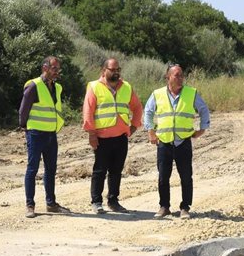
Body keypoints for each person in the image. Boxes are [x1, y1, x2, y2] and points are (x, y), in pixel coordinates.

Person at [144, 63, 210, 219]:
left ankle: (185, 207)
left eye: (181, 75)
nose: (180, 78)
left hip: (183, 142)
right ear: (168, 77)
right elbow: (148, 111)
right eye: (176, 75)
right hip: (164, 142)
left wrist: (202, 128)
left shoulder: (191, 93)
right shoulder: (157, 94)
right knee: (163, 177)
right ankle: (164, 206)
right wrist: (151, 131)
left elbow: (204, 109)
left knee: (186, 176)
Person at [83, 58, 143, 214]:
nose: (116, 72)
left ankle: (113, 201)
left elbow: (137, 107)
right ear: (104, 70)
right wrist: (91, 134)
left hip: (120, 137)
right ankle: (96, 202)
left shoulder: (126, 87)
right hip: (101, 138)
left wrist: (134, 125)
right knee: (99, 170)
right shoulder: (94, 87)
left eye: (118, 69)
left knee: (116, 171)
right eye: (112, 69)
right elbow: (88, 111)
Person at [19, 56, 70, 218]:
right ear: (45, 68)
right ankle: (30, 205)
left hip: (50, 134)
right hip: (35, 134)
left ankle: (51, 203)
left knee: (51, 169)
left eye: (58, 69)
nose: (57, 72)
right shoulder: (34, 86)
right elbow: (23, 111)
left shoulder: (57, 87)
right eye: (54, 69)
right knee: (32, 169)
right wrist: (26, 128)